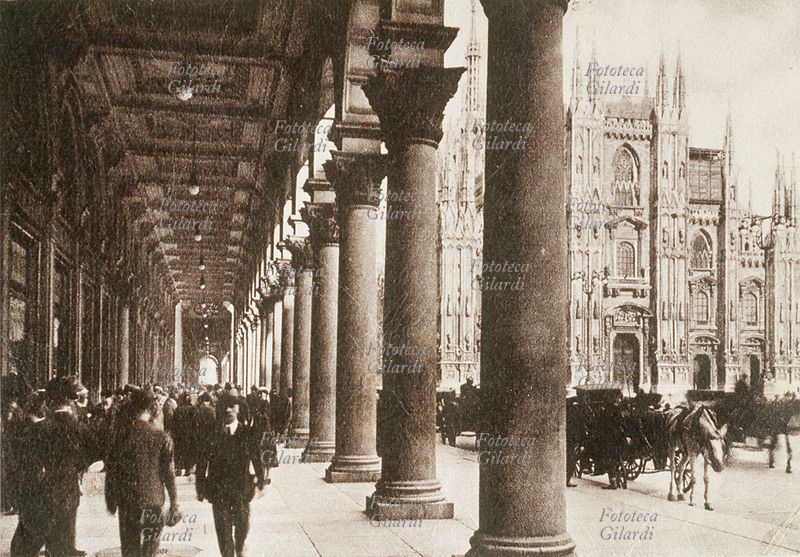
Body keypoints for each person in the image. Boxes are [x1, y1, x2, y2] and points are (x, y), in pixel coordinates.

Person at [11, 377, 97, 557]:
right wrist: (75, 468)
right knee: (62, 549)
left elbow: (25, 460)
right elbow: (92, 454)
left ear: (51, 401)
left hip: (40, 495)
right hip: (68, 495)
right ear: (70, 401)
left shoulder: (38, 429)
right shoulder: (80, 428)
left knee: (24, 548)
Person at [105, 388, 179, 557]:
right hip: (153, 500)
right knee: (150, 547)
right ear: (151, 409)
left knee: (129, 547)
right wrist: (174, 501)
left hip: (128, 500)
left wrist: (111, 500)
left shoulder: (121, 435)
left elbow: (112, 469)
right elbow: (168, 472)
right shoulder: (161, 436)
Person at [196, 394, 266, 557]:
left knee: (242, 523)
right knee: (222, 527)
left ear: (239, 409)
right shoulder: (212, 432)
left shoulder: (248, 432)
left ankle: (240, 544)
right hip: (218, 487)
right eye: (225, 407)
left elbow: (256, 457)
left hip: (241, 487)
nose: (229, 410)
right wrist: (200, 487)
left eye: (233, 406)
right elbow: (202, 461)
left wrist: (261, 480)